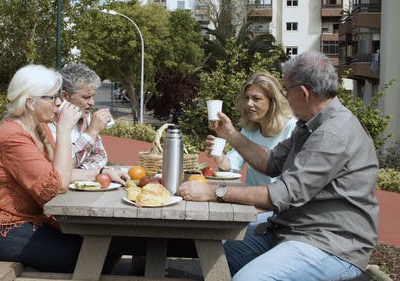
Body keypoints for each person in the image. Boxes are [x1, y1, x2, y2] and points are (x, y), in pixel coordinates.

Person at [178, 51, 379, 281]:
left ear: (303, 93)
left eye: (286, 90)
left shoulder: (332, 134)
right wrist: (230, 134)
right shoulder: (309, 125)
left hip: (331, 243)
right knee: (214, 259)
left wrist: (215, 192)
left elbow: (282, 194)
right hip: (291, 229)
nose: (285, 96)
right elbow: (272, 162)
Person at [0, 64, 84, 272]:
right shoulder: (13, 137)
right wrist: (65, 130)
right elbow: (56, 186)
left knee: (96, 245)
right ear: (31, 102)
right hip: (0, 228)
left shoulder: (38, 129)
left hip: (28, 222)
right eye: (53, 97)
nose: (59, 102)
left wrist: (103, 173)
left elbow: (57, 173)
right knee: (87, 255)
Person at [208, 71, 297, 186]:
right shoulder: (250, 129)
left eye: (256, 98)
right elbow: (232, 164)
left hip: (278, 200)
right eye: (247, 98)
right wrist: (218, 156)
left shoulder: (292, 128)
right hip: (251, 200)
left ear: (273, 101)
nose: (249, 103)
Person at [47, 63, 128, 184]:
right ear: (65, 96)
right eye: (86, 97)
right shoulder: (49, 122)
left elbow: (101, 157)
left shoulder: (85, 118)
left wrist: (79, 173)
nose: (92, 103)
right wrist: (92, 132)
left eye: (92, 96)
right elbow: (60, 169)